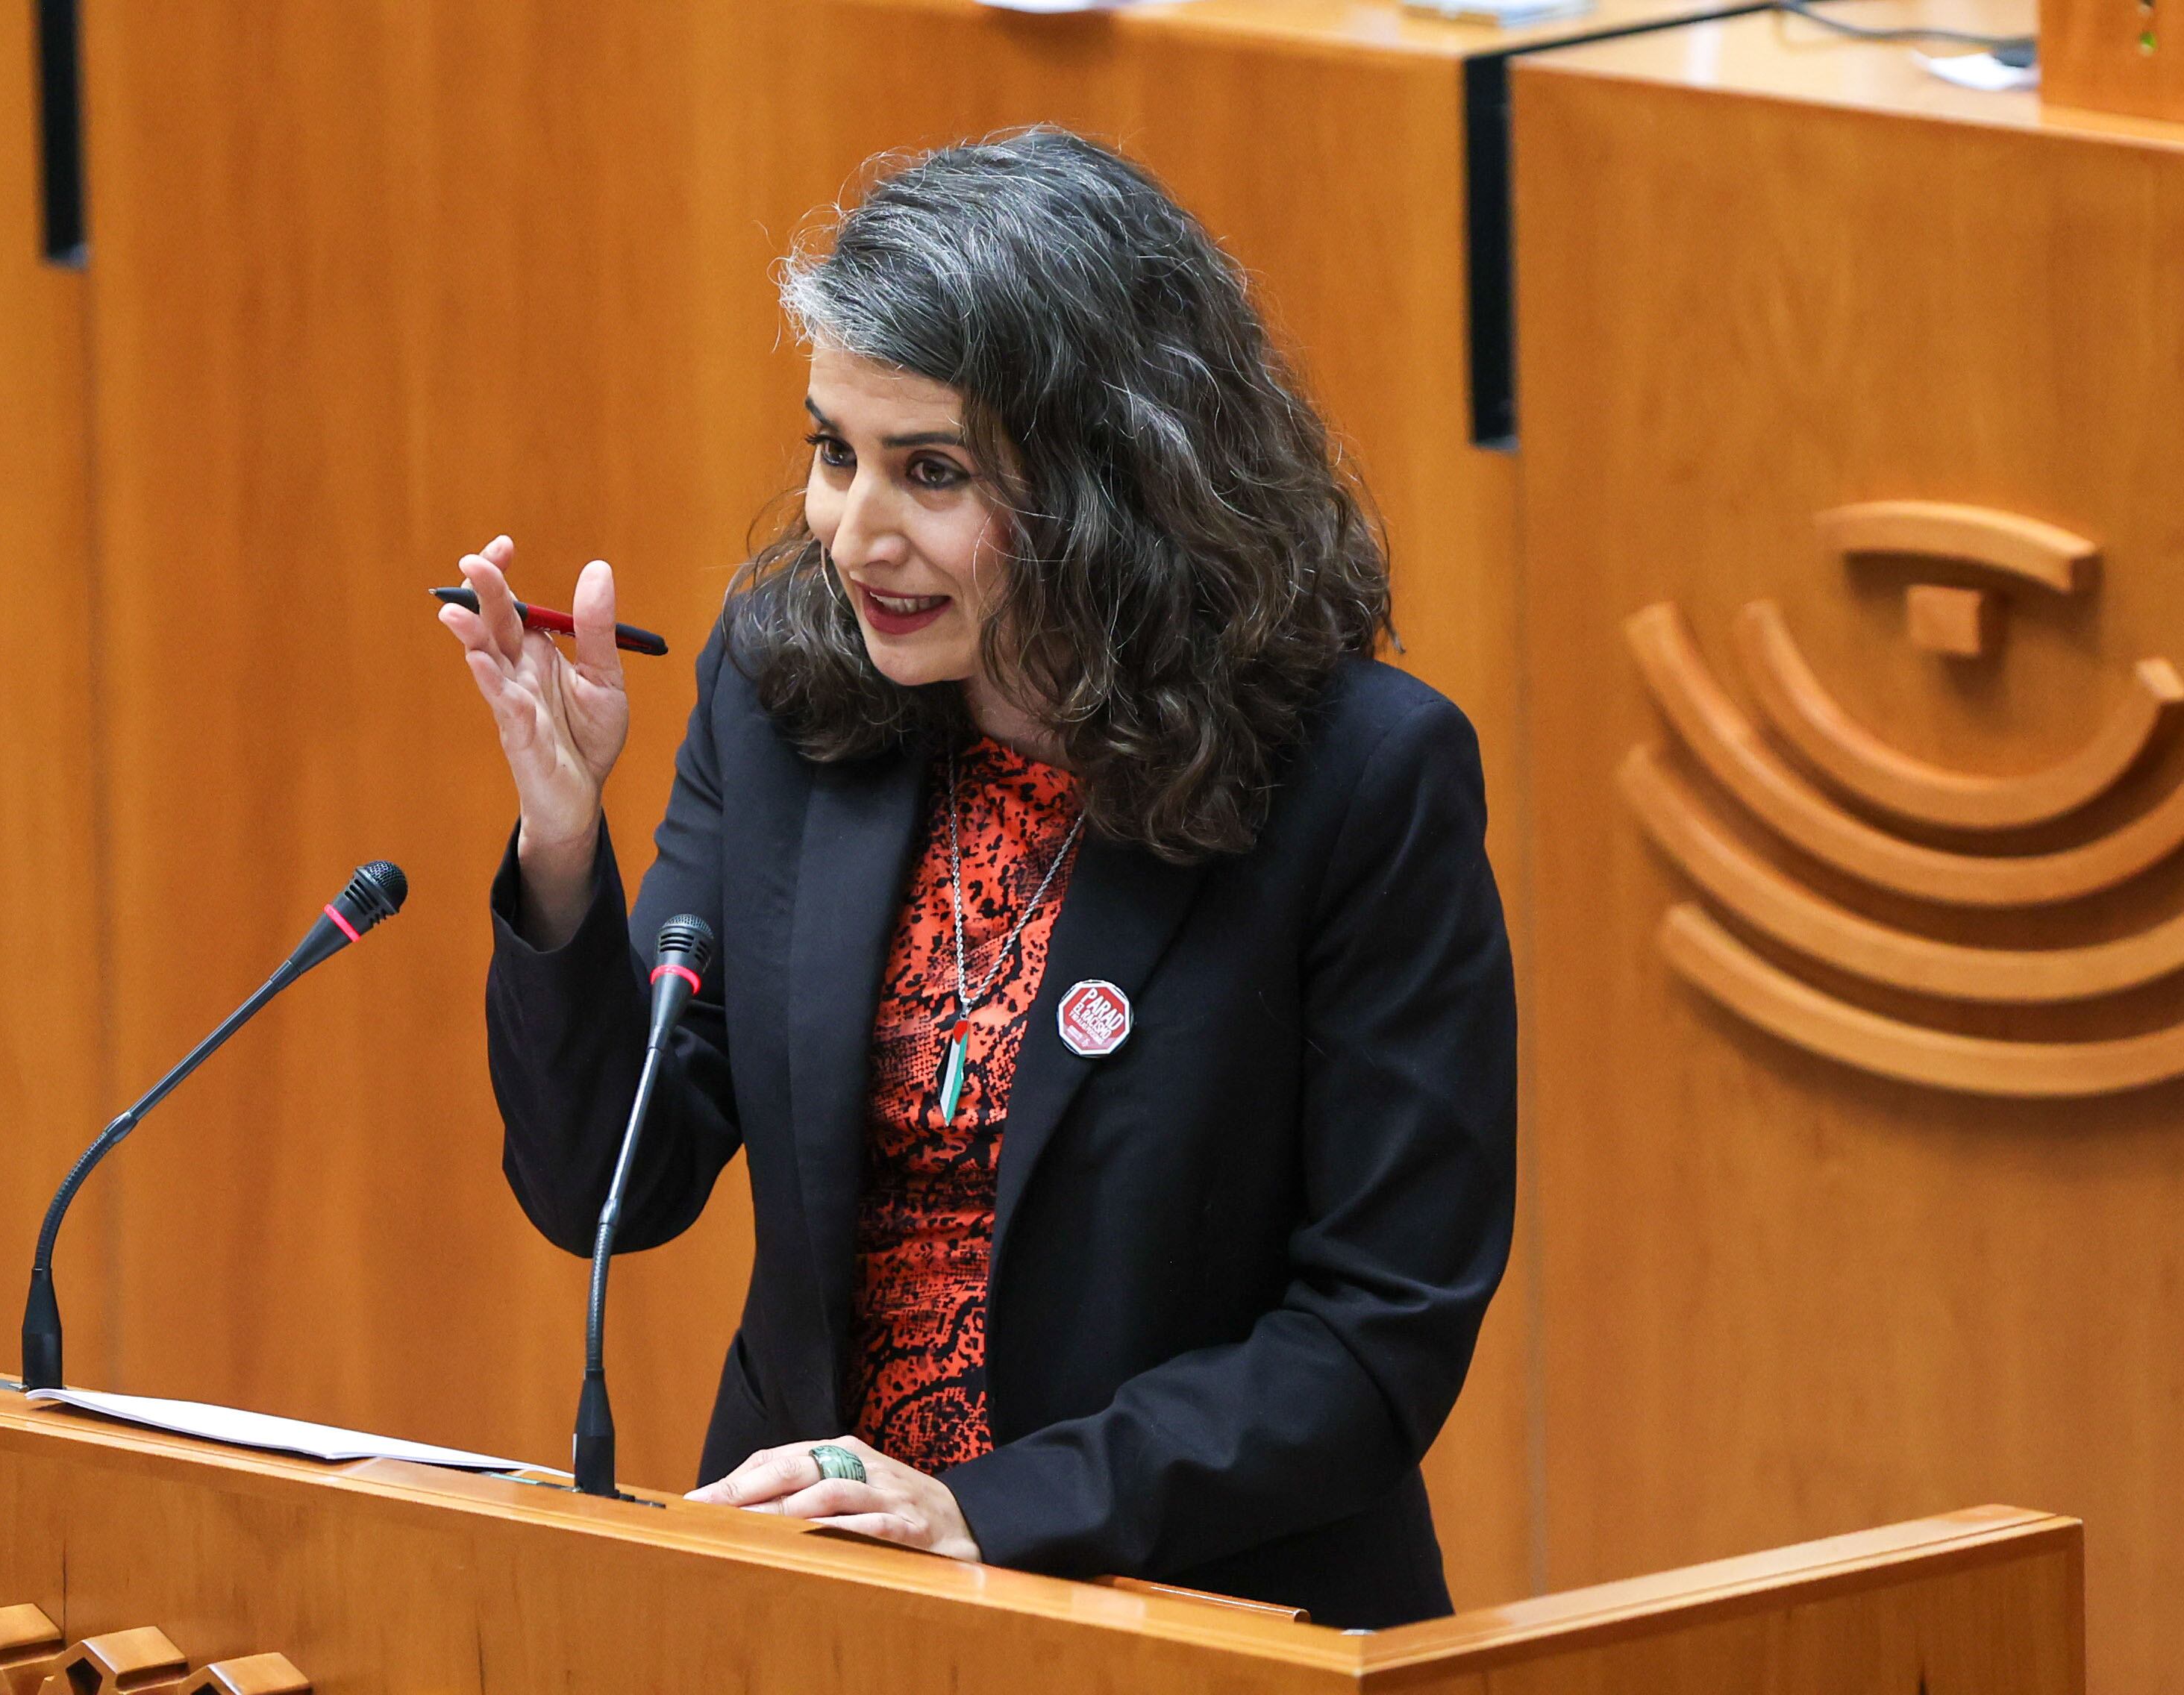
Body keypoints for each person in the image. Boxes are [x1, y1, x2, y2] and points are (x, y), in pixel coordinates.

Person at [439, 128, 1515, 1629]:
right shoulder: (786, 692)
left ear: (1110, 484)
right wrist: (562, 843)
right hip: (824, 1607)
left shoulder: (1359, 781)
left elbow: (1375, 1334)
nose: (852, 532)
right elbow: (608, 1188)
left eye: (930, 471)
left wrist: (986, 1509)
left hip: (1191, 1613)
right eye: (835, 452)